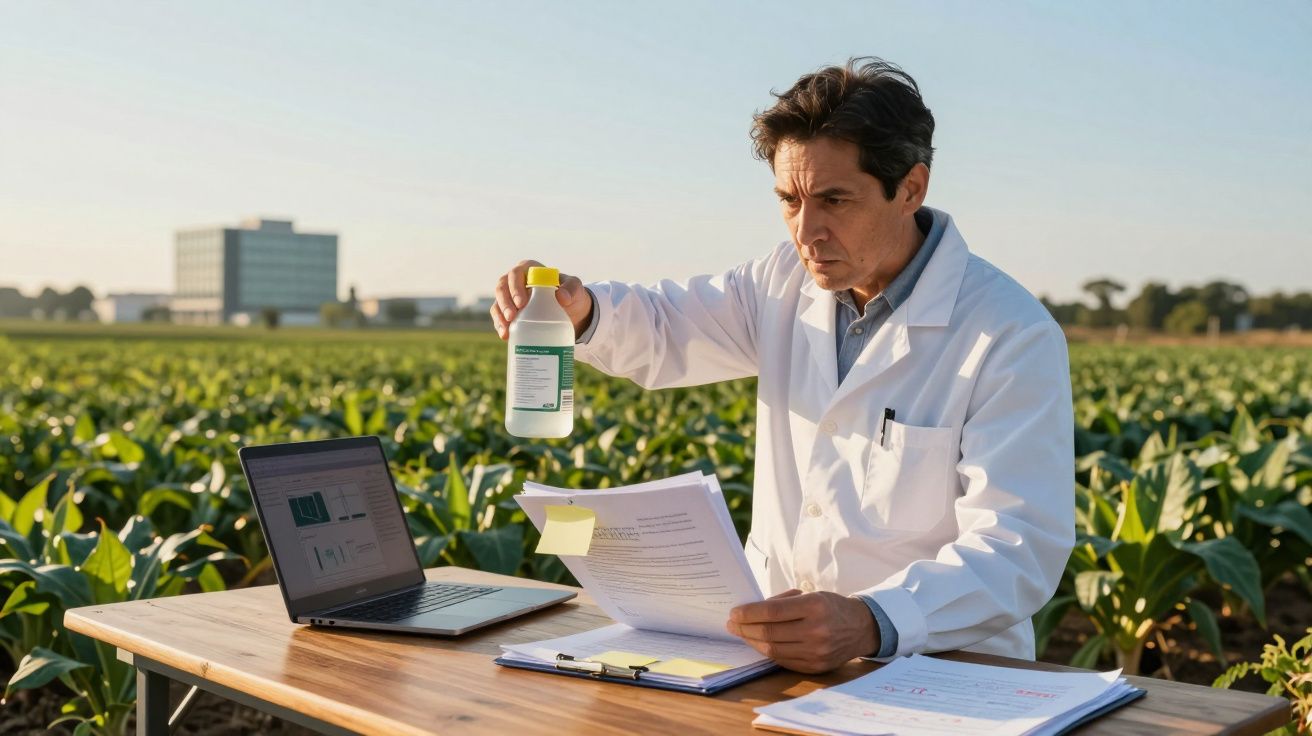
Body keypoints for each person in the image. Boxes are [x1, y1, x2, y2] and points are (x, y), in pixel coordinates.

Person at [491, 57, 1074, 674]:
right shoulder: (780, 282)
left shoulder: (1009, 333)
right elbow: (667, 327)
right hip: (771, 663)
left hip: (943, 673)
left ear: (911, 188)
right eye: (788, 200)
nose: (807, 230)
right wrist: (580, 310)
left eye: (834, 200)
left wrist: (874, 619)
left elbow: (1016, 548)